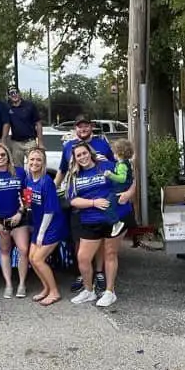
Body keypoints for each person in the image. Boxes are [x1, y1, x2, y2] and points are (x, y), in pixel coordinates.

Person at [56, 115, 115, 294]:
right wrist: (51, 190)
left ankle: (99, 273)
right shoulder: (67, 146)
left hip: (100, 202)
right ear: (75, 128)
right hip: (79, 201)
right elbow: (62, 170)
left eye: (86, 126)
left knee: (99, 240)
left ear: (91, 127)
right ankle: (83, 274)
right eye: (79, 126)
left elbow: (115, 167)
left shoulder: (103, 145)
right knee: (79, 240)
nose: (83, 129)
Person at [64, 141, 119, 307]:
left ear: (90, 152)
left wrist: (125, 196)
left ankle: (110, 292)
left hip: (112, 218)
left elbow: (127, 180)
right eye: (78, 155)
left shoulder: (106, 165)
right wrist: (93, 203)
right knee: (83, 257)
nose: (82, 157)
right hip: (90, 220)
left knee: (110, 254)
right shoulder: (74, 176)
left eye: (84, 153)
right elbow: (73, 200)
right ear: (75, 158)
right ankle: (89, 290)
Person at [0, 143, 28, 299]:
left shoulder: (20, 173)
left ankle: (22, 284)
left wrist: (20, 213)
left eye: (3, 155)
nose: (0, 158)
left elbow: (26, 197)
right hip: (0, 221)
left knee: (23, 249)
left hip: (18, 218)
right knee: (5, 251)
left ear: (8, 155)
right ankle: (8, 284)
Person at [22, 148, 65, 306]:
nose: (34, 162)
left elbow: (50, 210)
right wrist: (25, 205)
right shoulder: (28, 179)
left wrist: (40, 234)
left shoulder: (46, 181)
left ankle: (54, 292)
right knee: (32, 259)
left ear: (43, 163)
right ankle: (46, 288)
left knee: (39, 259)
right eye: (32, 159)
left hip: (52, 225)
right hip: (39, 224)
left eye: (38, 160)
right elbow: (28, 201)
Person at [104, 138, 136, 237]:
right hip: (121, 188)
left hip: (120, 189)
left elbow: (122, 179)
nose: (113, 155)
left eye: (114, 153)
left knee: (107, 205)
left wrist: (110, 175)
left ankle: (116, 222)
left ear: (119, 153)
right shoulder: (123, 163)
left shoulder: (122, 165)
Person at [5, 87, 43, 168]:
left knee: (34, 166)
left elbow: (38, 123)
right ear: (9, 96)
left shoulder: (30, 105)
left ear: (19, 93)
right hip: (16, 144)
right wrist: (4, 141)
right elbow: (7, 125)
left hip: (30, 142)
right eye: (11, 93)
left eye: (16, 92)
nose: (14, 95)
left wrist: (40, 142)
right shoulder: (7, 108)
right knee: (17, 169)